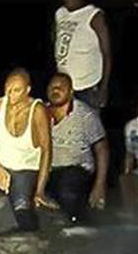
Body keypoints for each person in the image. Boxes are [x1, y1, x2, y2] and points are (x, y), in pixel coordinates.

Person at [0, 68, 56, 231]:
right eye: (8, 90)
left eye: (16, 91)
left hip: (26, 169)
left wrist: (40, 190)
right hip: (1, 165)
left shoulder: (37, 110)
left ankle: (35, 240)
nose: (11, 95)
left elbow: (47, 151)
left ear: (27, 90)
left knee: (21, 207)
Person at [45, 73, 109, 223]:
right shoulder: (40, 112)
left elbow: (102, 148)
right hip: (48, 170)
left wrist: (100, 185)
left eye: (61, 87)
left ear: (71, 91)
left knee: (67, 189)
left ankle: (77, 223)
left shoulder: (85, 114)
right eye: (53, 87)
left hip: (77, 170)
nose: (56, 90)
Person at [53, 0, 112, 109]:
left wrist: (104, 88)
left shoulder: (94, 16)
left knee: (87, 127)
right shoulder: (60, 13)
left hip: (87, 87)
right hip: (63, 84)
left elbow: (107, 53)